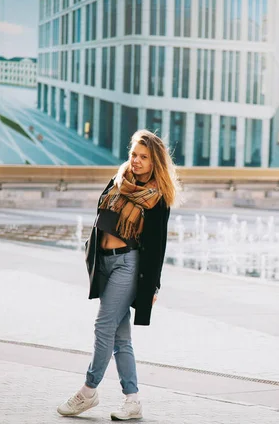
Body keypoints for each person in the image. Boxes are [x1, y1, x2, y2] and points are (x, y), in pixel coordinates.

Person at [58, 129, 179, 421]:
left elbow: (158, 246)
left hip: (128, 264)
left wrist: (153, 287)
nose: (136, 161)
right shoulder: (118, 180)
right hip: (105, 262)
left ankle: (88, 391)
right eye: (134, 155)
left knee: (103, 327)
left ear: (155, 163)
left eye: (143, 157)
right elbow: (101, 216)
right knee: (121, 338)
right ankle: (133, 400)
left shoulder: (156, 198)